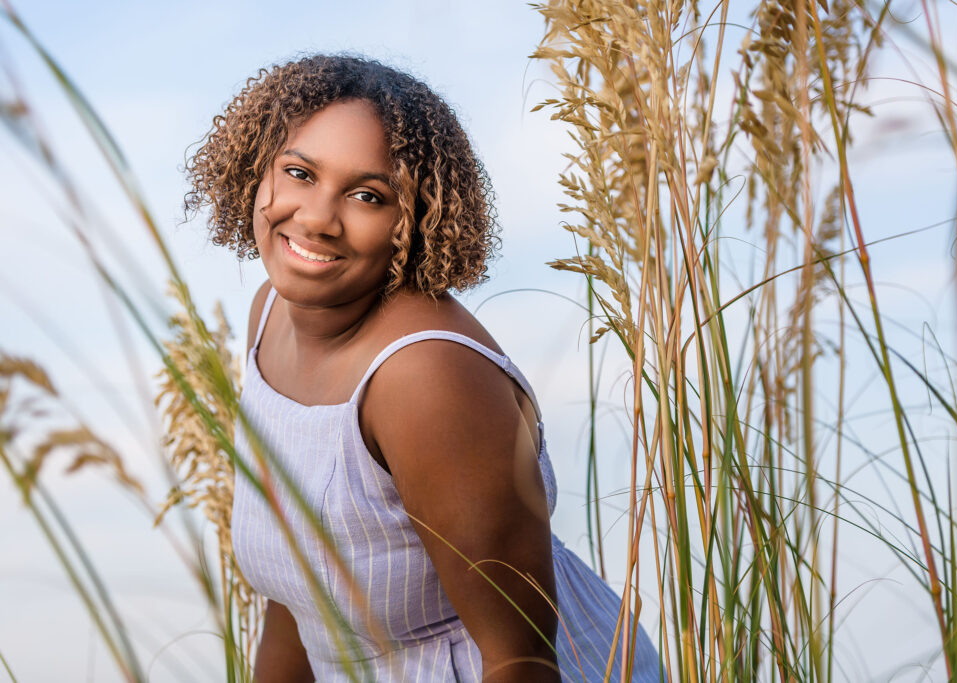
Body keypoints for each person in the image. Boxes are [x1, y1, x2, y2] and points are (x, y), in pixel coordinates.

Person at [185, 54, 661, 682]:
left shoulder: (426, 377)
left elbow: (522, 660)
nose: (319, 218)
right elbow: (294, 600)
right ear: (257, 171)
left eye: (367, 195)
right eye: (299, 173)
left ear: (415, 220)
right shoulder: (270, 315)